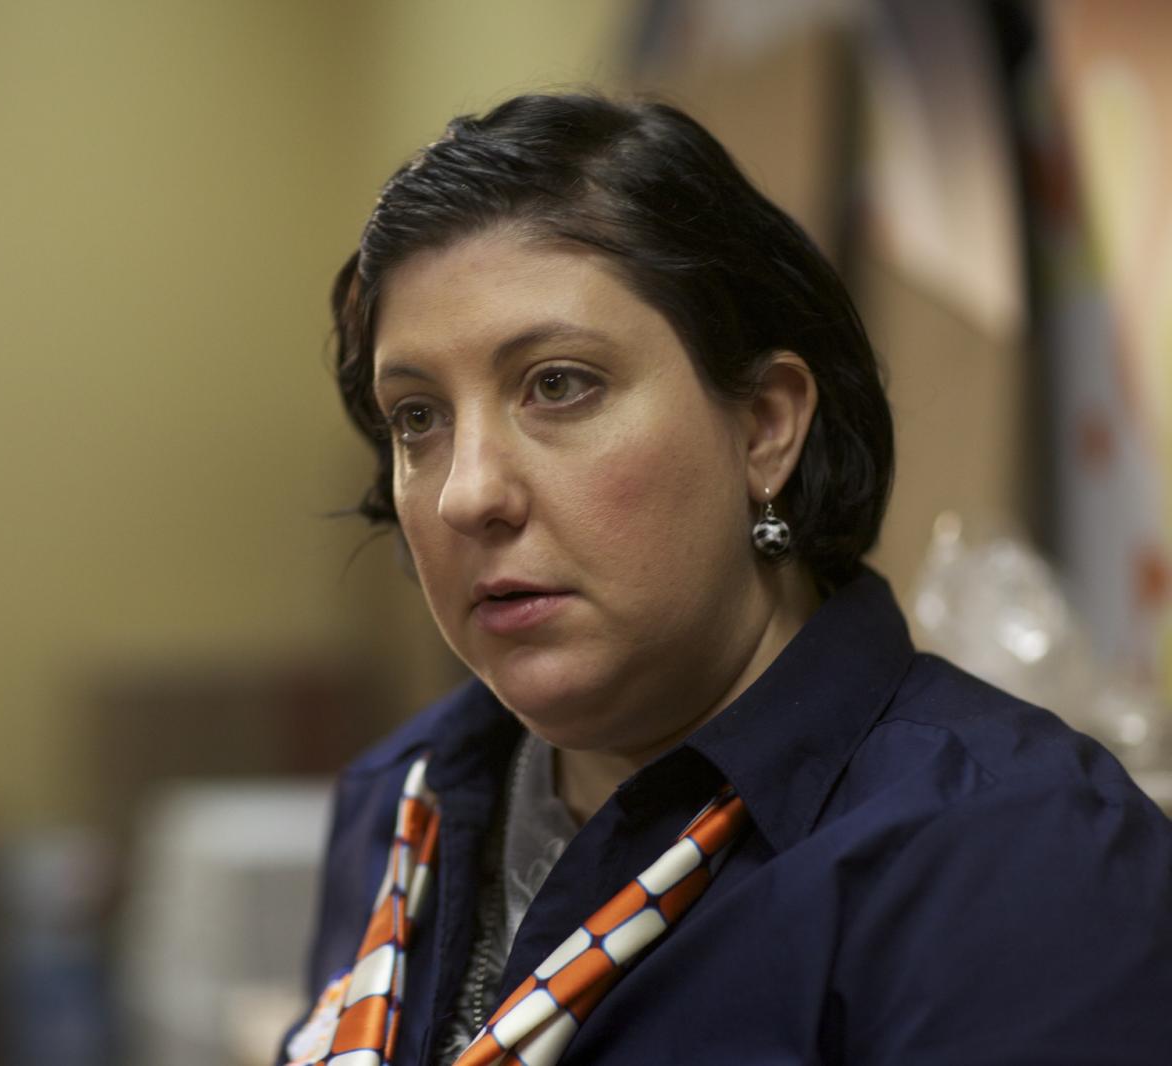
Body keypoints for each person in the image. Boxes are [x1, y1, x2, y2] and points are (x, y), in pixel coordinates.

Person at [279, 93, 1172, 1066]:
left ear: (764, 427)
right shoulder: (402, 799)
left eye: (558, 384)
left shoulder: (1013, 853)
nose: (468, 493)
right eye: (417, 417)